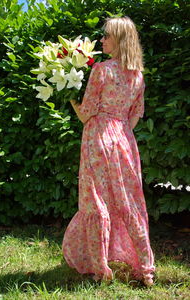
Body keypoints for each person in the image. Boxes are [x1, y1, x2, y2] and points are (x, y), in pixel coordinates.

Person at [62, 16, 155, 287]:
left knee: (96, 202)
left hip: (99, 138)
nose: (102, 40)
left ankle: (101, 267)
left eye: (107, 36)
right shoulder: (138, 76)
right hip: (125, 141)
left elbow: (86, 113)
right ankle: (146, 268)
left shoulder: (101, 70)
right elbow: (135, 116)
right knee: (129, 202)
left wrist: (68, 95)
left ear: (120, 40)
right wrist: (119, 128)